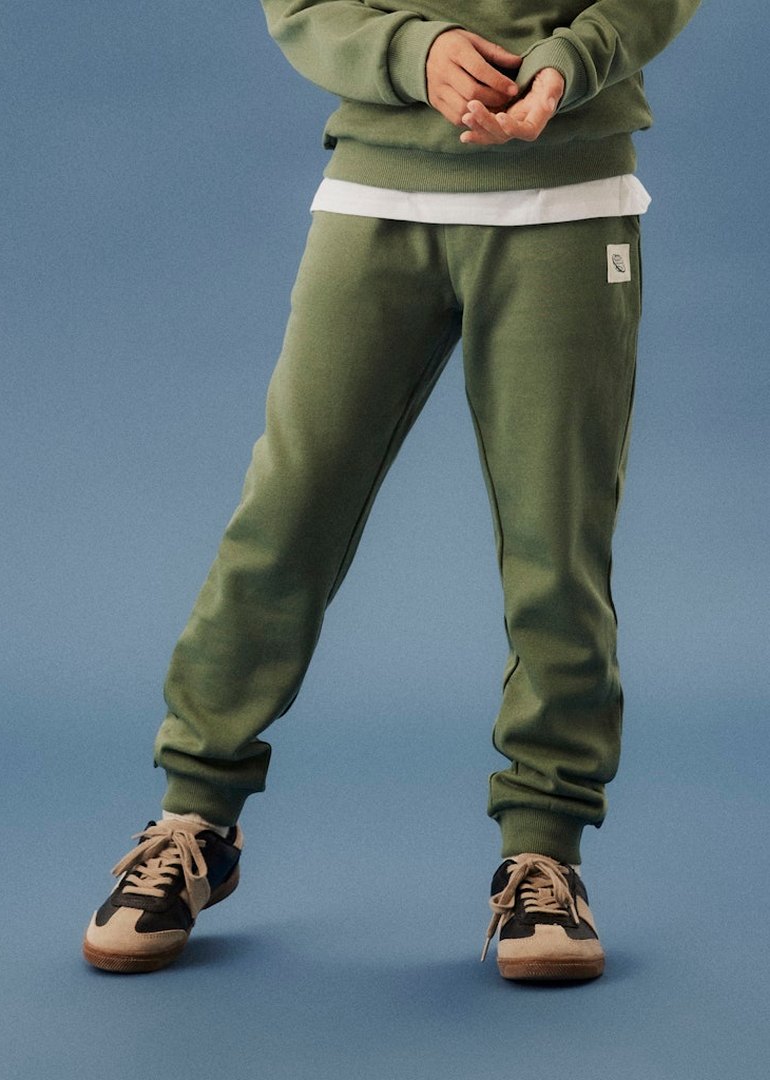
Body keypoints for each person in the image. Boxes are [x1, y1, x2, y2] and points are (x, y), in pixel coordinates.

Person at [83, 0, 700, 980]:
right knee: (287, 518)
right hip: (379, 191)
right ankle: (194, 821)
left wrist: (571, 61)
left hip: (568, 193)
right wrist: (415, 51)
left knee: (558, 545)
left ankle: (544, 853)